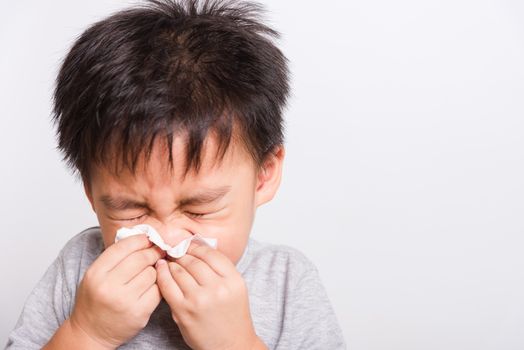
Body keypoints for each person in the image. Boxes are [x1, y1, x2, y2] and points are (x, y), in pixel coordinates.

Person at [5, 0, 346, 348]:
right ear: (91, 191)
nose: (166, 239)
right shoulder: (80, 266)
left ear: (264, 175)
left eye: (199, 208)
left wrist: (233, 342)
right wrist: (88, 332)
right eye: (131, 209)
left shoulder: (287, 281)